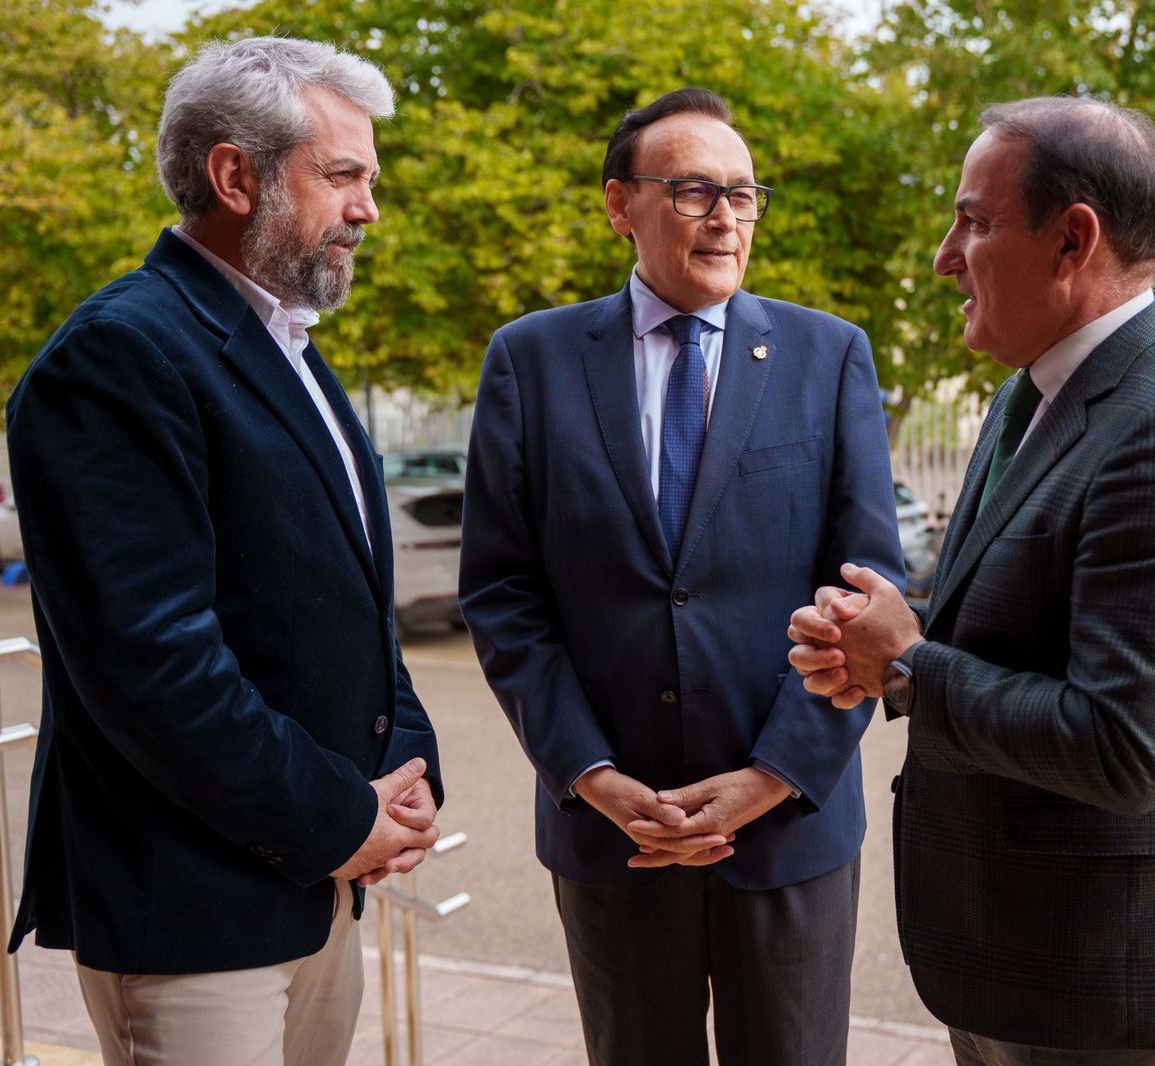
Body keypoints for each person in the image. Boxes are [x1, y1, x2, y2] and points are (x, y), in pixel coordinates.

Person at [789, 97, 1155, 1064]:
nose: (944, 255)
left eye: (973, 221)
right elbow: (1029, 623)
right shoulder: (1030, 393)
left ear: (1073, 240)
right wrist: (886, 645)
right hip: (1025, 964)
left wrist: (910, 665)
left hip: (1114, 985)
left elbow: (1128, 750)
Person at [5, 37, 442, 1066]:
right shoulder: (118, 355)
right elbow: (152, 664)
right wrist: (343, 814)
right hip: (195, 913)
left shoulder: (287, 345)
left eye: (367, 179)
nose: (368, 208)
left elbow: (345, 598)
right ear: (235, 175)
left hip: (319, 885)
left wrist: (406, 771)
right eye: (342, 175)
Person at [458, 87, 902, 1066]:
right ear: (620, 203)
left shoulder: (828, 356)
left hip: (786, 832)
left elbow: (868, 593)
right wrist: (591, 773)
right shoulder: (528, 361)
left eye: (744, 194)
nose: (726, 217)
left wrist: (771, 775)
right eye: (696, 190)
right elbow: (502, 593)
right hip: (615, 833)